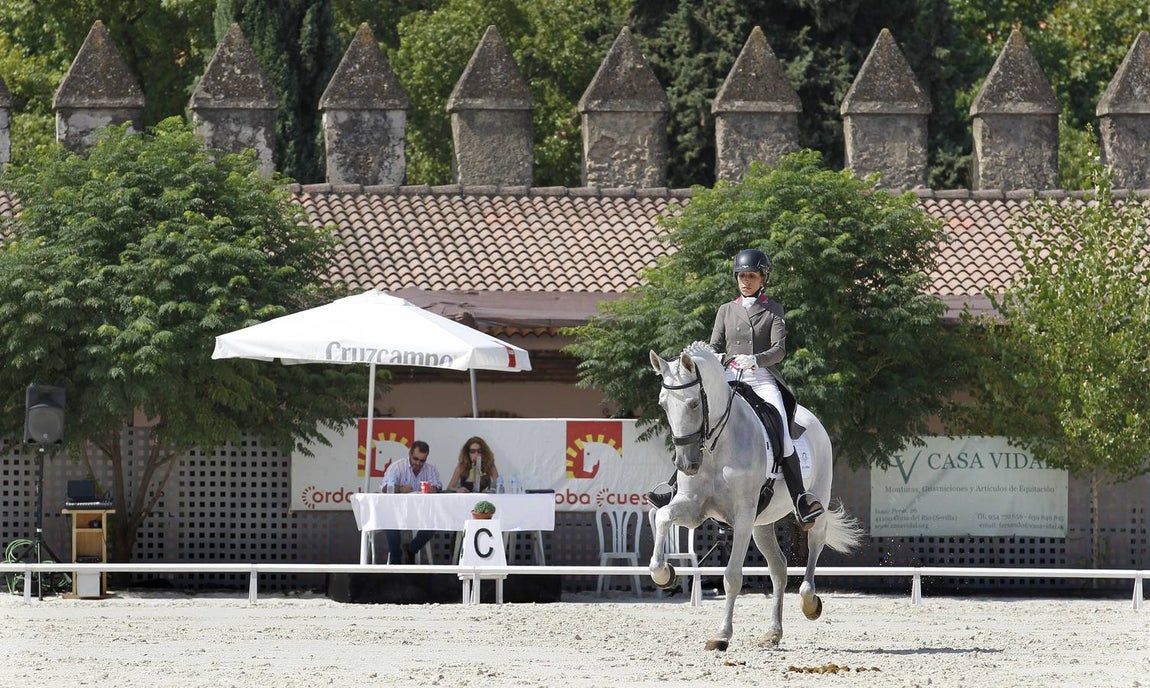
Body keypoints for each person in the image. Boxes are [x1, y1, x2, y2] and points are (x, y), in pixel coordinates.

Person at [646, 248, 825, 529]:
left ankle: (800, 497)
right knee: (702, 421)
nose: (745, 281)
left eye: (751, 276)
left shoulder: (772, 310)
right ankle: (674, 486)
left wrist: (756, 360)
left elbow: (779, 350)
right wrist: (715, 357)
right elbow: (715, 345)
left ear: (763, 278)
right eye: (741, 276)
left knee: (780, 425)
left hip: (762, 377)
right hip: (731, 377)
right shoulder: (725, 310)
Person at [381, 440, 443, 564]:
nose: (418, 463)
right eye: (416, 459)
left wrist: (433, 489)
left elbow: (438, 486)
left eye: (422, 460)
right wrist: (400, 489)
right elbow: (384, 488)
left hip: (421, 512)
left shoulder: (430, 469)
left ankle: (411, 549)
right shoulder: (397, 467)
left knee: (435, 522)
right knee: (389, 521)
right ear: (410, 454)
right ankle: (395, 560)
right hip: (398, 511)